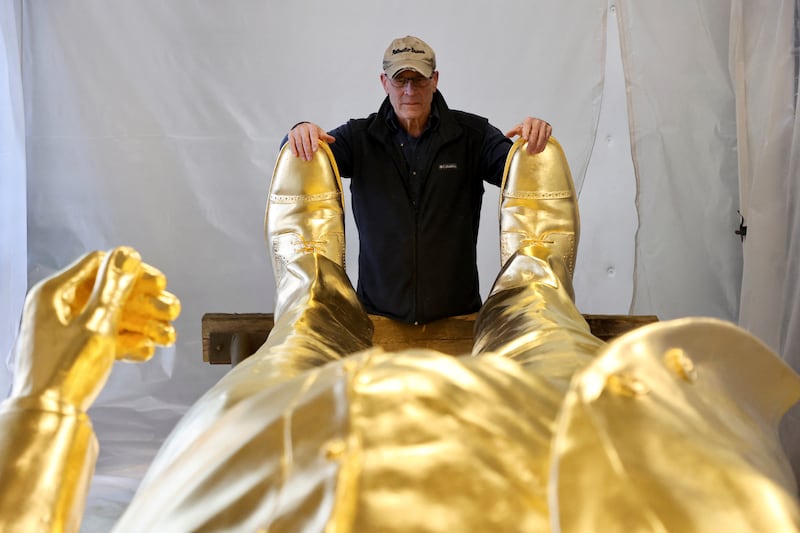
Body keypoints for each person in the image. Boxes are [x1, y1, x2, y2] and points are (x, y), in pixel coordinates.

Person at [2, 141, 799, 532]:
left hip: (248, 465)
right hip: (556, 454)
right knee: (544, 325)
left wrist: (43, 409)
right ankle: (532, 277)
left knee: (304, 329)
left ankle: (314, 283)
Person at [285, 35, 554, 324]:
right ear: (384, 82)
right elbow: (301, 164)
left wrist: (536, 144)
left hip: (458, 319)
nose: (409, 90)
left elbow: (524, 176)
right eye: (400, 80)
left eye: (419, 79)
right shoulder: (359, 138)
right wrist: (299, 133)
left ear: (435, 80)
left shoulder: (472, 136)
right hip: (377, 320)